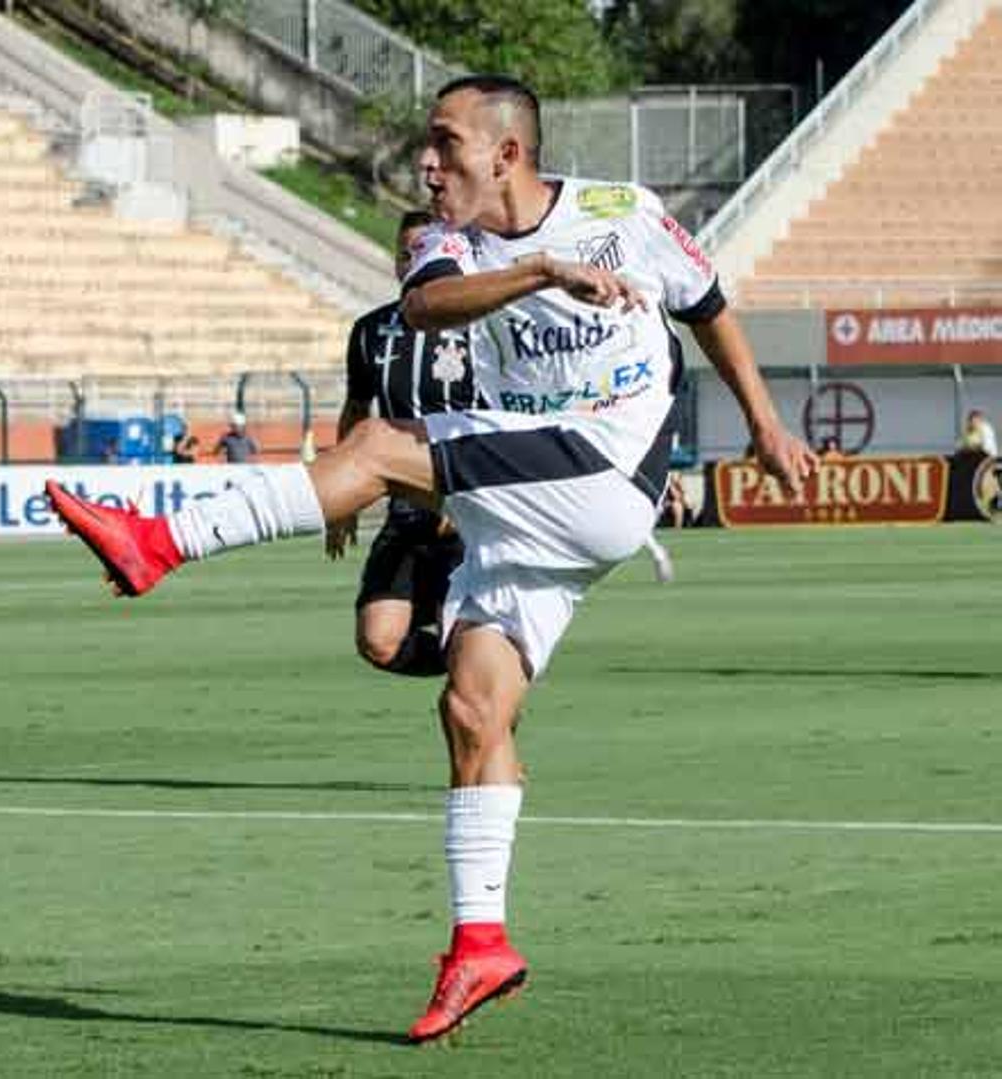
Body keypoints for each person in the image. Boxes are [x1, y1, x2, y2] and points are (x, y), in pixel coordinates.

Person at [43, 75, 814, 1043]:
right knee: (473, 708)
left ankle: (157, 541)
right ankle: (480, 941)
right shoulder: (450, 244)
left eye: (446, 144)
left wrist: (766, 424)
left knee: (375, 451)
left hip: (608, 468)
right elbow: (429, 308)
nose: (427, 162)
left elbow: (709, 307)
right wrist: (541, 272)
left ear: (507, 154)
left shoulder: (626, 215)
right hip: (532, 491)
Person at [328, 209, 475, 678]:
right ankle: (484, 670)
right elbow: (356, 413)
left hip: (471, 516)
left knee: (468, 644)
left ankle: (485, 681)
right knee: (379, 641)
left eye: (422, 250)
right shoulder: (371, 330)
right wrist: (341, 501)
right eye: (404, 252)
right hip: (406, 512)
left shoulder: (482, 326)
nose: (411, 260)